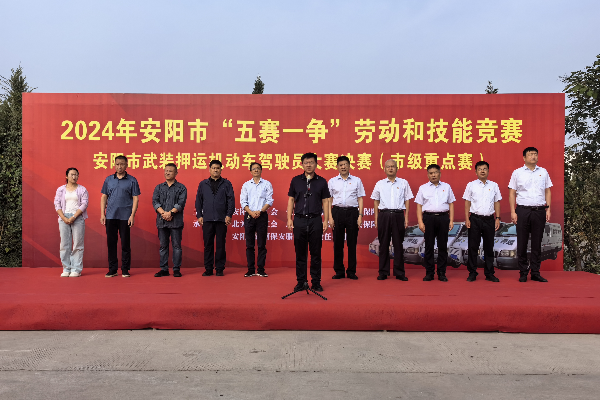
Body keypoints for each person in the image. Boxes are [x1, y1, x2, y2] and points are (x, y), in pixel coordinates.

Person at [287, 153, 331, 292]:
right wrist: (289, 218)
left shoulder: (322, 181)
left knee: (316, 253)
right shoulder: (296, 180)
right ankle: (301, 282)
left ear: (316, 164)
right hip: (299, 219)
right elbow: (291, 200)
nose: (309, 165)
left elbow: (325, 201)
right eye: (306, 162)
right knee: (300, 253)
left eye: (311, 162)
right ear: (302, 164)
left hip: (315, 220)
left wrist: (326, 220)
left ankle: (316, 282)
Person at [508, 147, 552, 282]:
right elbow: (512, 193)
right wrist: (513, 211)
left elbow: (548, 191)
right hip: (523, 210)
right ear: (524, 157)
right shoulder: (517, 173)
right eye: (530, 154)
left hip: (539, 210)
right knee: (522, 242)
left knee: (537, 243)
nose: (533, 156)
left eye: (535, 154)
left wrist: (548, 209)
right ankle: (523, 272)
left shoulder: (543, 172)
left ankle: (535, 272)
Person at [370, 159, 413, 281]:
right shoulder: (380, 184)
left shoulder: (404, 183)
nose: (390, 168)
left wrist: (406, 217)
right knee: (383, 244)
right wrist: (376, 218)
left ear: (397, 169)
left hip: (398, 215)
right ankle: (383, 272)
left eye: (393, 166)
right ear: (384, 169)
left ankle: (399, 272)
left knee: (398, 244)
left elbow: (407, 200)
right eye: (388, 166)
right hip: (384, 215)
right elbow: (376, 201)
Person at [101, 155, 140, 278]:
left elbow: (135, 198)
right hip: (110, 216)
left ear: (126, 165)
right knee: (111, 243)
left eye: (122, 164)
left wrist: (132, 215)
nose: (119, 166)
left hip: (125, 216)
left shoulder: (132, 180)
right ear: (114, 165)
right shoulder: (108, 180)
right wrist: (102, 214)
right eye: (117, 164)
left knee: (125, 244)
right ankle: (112, 269)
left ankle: (125, 269)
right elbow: (104, 196)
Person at [415, 164, 456, 282]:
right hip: (428, 218)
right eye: (431, 173)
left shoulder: (447, 187)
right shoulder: (423, 188)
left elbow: (451, 204)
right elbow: (419, 205)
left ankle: (442, 272)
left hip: (443, 218)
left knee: (442, 246)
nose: (433, 175)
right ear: (428, 175)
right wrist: (420, 222)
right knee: (429, 246)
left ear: (440, 173)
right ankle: (429, 273)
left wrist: (451, 220)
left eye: (435, 172)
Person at [328, 156, 365, 280]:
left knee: (352, 243)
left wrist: (360, 215)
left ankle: (351, 271)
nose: (343, 167)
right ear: (337, 167)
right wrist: (330, 217)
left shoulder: (357, 180)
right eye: (341, 165)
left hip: (352, 212)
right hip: (337, 212)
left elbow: (360, 198)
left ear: (349, 166)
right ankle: (339, 271)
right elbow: (329, 200)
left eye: (345, 164)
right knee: (338, 243)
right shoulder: (332, 181)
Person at [463, 161, 502, 282]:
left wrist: (497, 218)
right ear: (476, 172)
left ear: (488, 171)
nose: (482, 171)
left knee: (489, 247)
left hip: (489, 219)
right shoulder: (471, 185)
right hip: (475, 219)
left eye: (485, 169)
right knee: (473, 246)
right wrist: (467, 218)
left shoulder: (494, 185)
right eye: (480, 169)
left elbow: (497, 202)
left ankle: (489, 273)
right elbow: (467, 202)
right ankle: (472, 272)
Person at [195, 160, 235, 276]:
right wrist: (199, 215)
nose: (215, 170)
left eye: (218, 168)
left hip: (221, 219)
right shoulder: (203, 184)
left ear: (221, 169)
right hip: (207, 219)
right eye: (213, 168)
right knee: (208, 245)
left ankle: (219, 268)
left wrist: (229, 215)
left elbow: (231, 200)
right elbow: (198, 201)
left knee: (220, 244)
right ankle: (208, 268)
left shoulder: (227, 184)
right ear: (209, 169)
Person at [152, 163, 188, 278]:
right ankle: (164, 269)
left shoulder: (181, 188)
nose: (167, 173)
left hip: (176, 222)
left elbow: (181, 203)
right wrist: (163, 213)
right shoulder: (159, 187)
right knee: (163, 246)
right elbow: (155, 202)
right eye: (166, 171)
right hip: (161, 221)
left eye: (170, 171)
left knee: (176, 246)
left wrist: (171, 213)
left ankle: (176, 269)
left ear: (176, 173)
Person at [240, 162, 274, 277]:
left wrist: (260, 211)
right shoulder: (246, 185)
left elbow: (269, 200)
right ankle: (250, 269)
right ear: (250, 171)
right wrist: (251, 212)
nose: (256, 170)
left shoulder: (267, 184)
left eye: (258, 168)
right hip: (249, 216)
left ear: (261, 170)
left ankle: (260, 269)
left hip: (262, 216)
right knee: (249, 244)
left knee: (261, 244)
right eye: (254, 169)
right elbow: (243, 202)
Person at [54, 168, 89, 277]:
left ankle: (76, 269)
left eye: (76, 175)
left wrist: (74, 217)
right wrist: (63, 218)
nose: (74, 177)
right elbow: (57, 204)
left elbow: (84, 204)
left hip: (78, 218)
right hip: (63, 218)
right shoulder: (60, 189)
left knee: (78, 244)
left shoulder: (82, 189)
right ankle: (66, 268)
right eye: (72, 175)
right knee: (65, 244)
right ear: (66, 176)